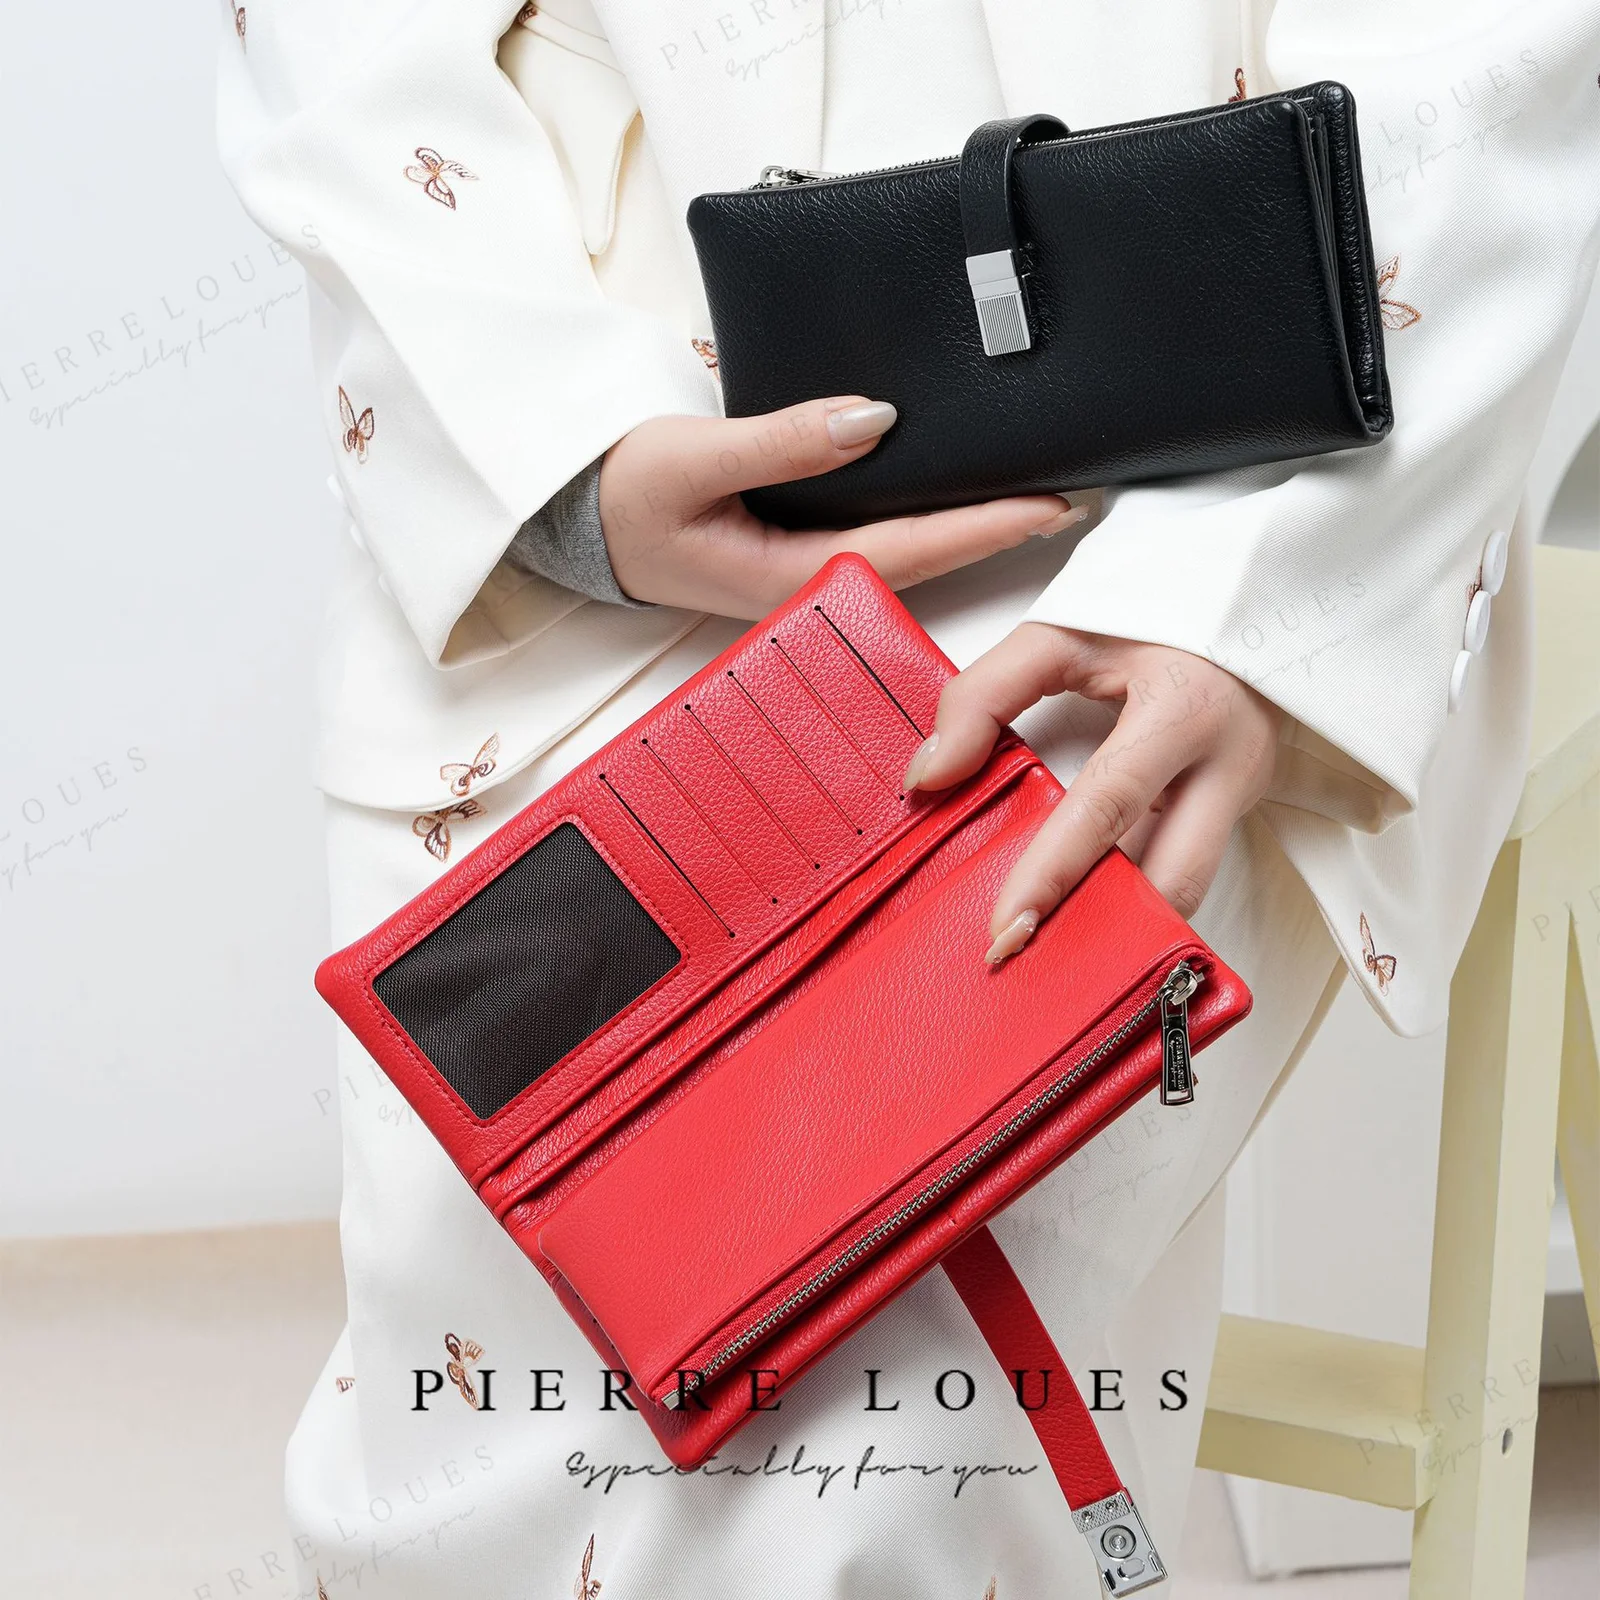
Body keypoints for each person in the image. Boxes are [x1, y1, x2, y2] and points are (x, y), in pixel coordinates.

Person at [218, 2, 1600, 1594]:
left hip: (1186, 502)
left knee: (853, 1401)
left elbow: (1482, 63)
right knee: (468, 1403)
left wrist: (1242, 605)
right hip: (594, 457)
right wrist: (563, 471)